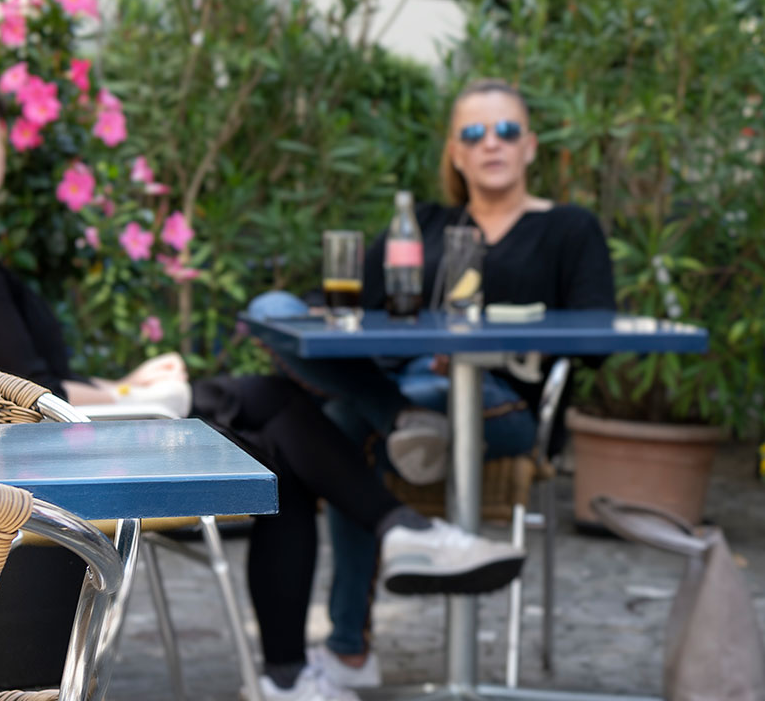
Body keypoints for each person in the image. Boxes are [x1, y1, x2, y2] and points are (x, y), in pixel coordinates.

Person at [0, 74, 527, 701]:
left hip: (26, 442)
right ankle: (348, 599)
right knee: (280, 448)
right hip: (51, 457)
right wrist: (137, 400)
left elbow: (6, 377)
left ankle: (391, 546)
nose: (2, 155)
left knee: (276, 410)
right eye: (1, 141)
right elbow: (33, 393)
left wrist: (125, 385)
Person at [246, 77, 616, 688]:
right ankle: (399, 419)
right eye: (474, 132)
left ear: (531, 146)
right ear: (455, 150)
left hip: (504, 402)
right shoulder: (422, 224)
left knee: (340, 428)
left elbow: (597, 338)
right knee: (272, 305)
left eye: (506, 131)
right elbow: (335, 303)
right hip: (408, 389)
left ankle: (348, 652)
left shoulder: (569, 228)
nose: (490, 143)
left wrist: (486, 344)